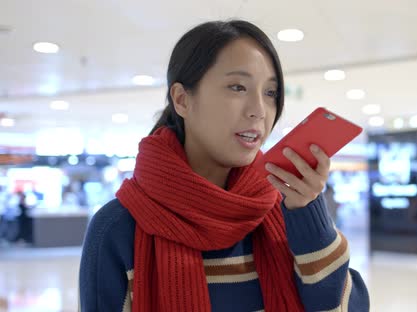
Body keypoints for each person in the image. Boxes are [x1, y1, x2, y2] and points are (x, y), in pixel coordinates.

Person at [79, 20, 369, 312]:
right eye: (237, 87)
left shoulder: (286, 209)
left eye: (270, 93)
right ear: (181, 99)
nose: (259, 110)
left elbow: (343, 307)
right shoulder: (117, 229)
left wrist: (309, 215)